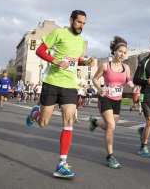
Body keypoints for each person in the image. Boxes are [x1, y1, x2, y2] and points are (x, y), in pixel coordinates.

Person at [25, 10, 96, 179]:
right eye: (79, 22)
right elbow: (40, 51)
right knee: (43, 122)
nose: (81, 26)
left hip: (69, 86)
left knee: (69, 120)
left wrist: (84, 61)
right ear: (71, 20)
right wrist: (56, 61)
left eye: (84, 23)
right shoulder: (58, 33)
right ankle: (35, 114)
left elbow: (74, 60)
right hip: (52, 82)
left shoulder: (81, 42)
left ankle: (61, 164)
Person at [89, 36, 134, 169]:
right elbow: (95, 79)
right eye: (120, 51)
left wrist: (134, 86)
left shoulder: (126, 67)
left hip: (117, 101)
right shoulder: (105, 65)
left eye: (125, 53)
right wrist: (99, 89)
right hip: (105, 99)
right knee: (111, 126)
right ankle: (110, 156)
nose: (122, 54)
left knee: (111, 126)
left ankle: (95, 122)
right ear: (114, 51)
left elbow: (129, 80)